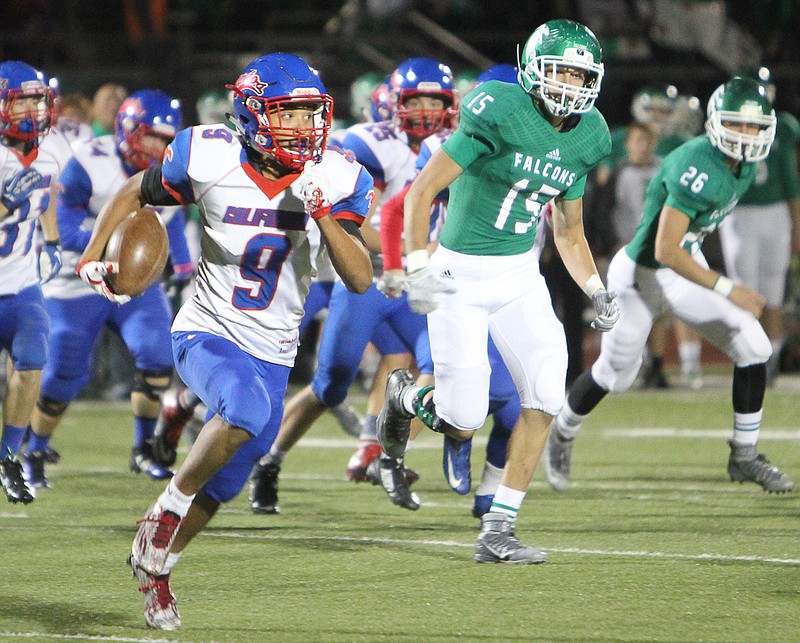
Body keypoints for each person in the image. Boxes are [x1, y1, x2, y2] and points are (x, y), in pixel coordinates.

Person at [78, 53, 373, 630]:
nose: (308, 128)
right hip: (207, 328)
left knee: (230, 482)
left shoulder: (338, 175)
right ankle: (165, 506)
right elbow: (135, 192)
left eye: (314, 114)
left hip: (275, 347)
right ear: (254, 116)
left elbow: (360, 277)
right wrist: (94, 256)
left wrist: (324, 216)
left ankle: (156, 565)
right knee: (243, 408)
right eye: (291, 115)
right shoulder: (208, 154)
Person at [379, 19, 619, 564]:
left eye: (582, 75)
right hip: (457, 276)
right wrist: (416, 264)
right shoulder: (500, 108)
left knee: (546, 393)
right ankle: (407, 397)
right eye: (561, 70)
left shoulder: (590, 134)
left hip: (518, 277)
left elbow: (568, 230)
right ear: (534, 69)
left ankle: (499, 528)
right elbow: (422, 192)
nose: (571, 85)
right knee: (462, 418)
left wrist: (596, 288)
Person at [545, 77, 795, 495]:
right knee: (615, 374)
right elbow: (664, 248)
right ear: (715, 124)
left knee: (755, 345)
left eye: (755, 127)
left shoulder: (745, 164)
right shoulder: (695, 165)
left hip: (683, 265)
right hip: (642, 275)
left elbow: (686, 245)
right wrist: (728, 288)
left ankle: (745, 455)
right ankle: (562, 433)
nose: (747, 136)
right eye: (739, 125)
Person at [247, 56, 456, 515]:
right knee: (331, 386)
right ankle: (269, 461)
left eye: (434, 101)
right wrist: (412, 245)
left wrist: (432, 252)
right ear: (394, 104)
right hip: (372, 278)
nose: (424, 110)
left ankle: (385, 455)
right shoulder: (369, 144)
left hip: (417, 278)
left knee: (444, 364)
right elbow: (360, 225)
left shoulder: (457, 145)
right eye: (415, 100)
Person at [23, 89, 189, 489]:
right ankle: (34, 448)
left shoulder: (171, 171)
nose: (160, 147)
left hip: (134, 283)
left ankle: (143, 446)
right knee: (65, 370)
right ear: (129, 130)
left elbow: (172, 221)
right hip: (77, 278)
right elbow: (60, 226)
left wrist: (181, 265)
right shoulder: (87, 161)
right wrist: (116, 243)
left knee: (157, 355)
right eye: (153, 136)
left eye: (167, 139)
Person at [0, 60, 66, 503]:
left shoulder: (48, 153)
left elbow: (45, 193)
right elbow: (19, 196)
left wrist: (54, 240)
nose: (31, 109)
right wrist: (6, 202)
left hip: (21, 282)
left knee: (32, 356)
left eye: (37, 100)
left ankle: (8, 457)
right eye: (21, 100)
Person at [719, 67, 800, 386]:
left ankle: (772, 359)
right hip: (740, 212)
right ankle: (748, 358)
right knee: (743, 288)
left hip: (775, 212)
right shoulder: (725, 123)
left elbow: (791, 181)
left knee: (773, 290)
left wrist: (796, 227)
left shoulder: (784, 127)